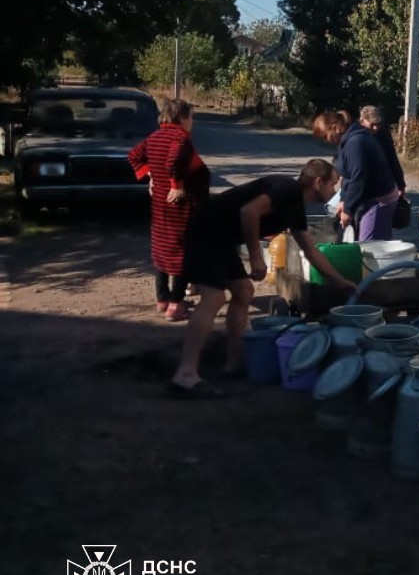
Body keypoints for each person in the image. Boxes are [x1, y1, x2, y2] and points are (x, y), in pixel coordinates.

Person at [171, 159, 357, 398]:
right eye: (333, 184)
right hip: (206, 231)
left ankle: (233, 362)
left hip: (221, 238)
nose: (334, 191)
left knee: (243, 291)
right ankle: (185, 374)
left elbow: (311, 251)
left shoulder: (296, 207)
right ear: (318, 182)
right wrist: (257, 257)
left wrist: (339, 281)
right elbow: (249, 211)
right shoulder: (285, 189)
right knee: (214, 297)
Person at [128, 98, 210, 322]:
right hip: (180, 207)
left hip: (160, 208)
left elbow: (134, 156)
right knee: (182, 256)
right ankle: (176, 304)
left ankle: (162, 299)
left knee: (162, 251)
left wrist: (151, 176)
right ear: (181, 118)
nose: (192, 122)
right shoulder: (179, 138)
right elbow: (174, 160)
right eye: (191, 117)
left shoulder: (154, 137)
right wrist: (177, 185)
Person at [312, 110, 400, 242]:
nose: (326, 141)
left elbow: (358, 178)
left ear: (334, 128)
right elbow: (348, 175)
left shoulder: (355, 142)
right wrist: (343, 200)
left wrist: (348, 209)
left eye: (325, 137)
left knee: (369, 245)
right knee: (365, 243)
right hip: (372, 198)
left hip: (379, 200)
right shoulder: (348, 139)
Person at [359, 105, 406, 196]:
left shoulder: (383, 134)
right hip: (362, 184)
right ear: (362, 121)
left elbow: (392, 158)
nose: (375, 128)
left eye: (378, 124)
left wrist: (400, 184)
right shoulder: (355, 136)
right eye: (372, 124)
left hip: (382, 184)